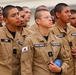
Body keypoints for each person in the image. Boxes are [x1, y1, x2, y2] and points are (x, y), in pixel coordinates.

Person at [21, 9, 69, 75]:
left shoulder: (58, 40)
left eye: (50, 17)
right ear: (38, 21)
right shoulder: (30, 40)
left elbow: (66, 60)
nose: (50, 19)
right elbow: (26, 67)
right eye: (46, 17)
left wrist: (60, 69)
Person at [51, 3, 76, 75]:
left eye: (70, 12)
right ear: (58, 14)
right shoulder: (51, 31)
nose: (70, 14)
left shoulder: (73, 30)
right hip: (62, 71)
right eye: (66, 12)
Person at [0, 5, 22, 75]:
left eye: (18, 14)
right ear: (5, 20)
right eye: (13, 15)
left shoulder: (21, 37)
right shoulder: (1, 34)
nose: (18, 17)